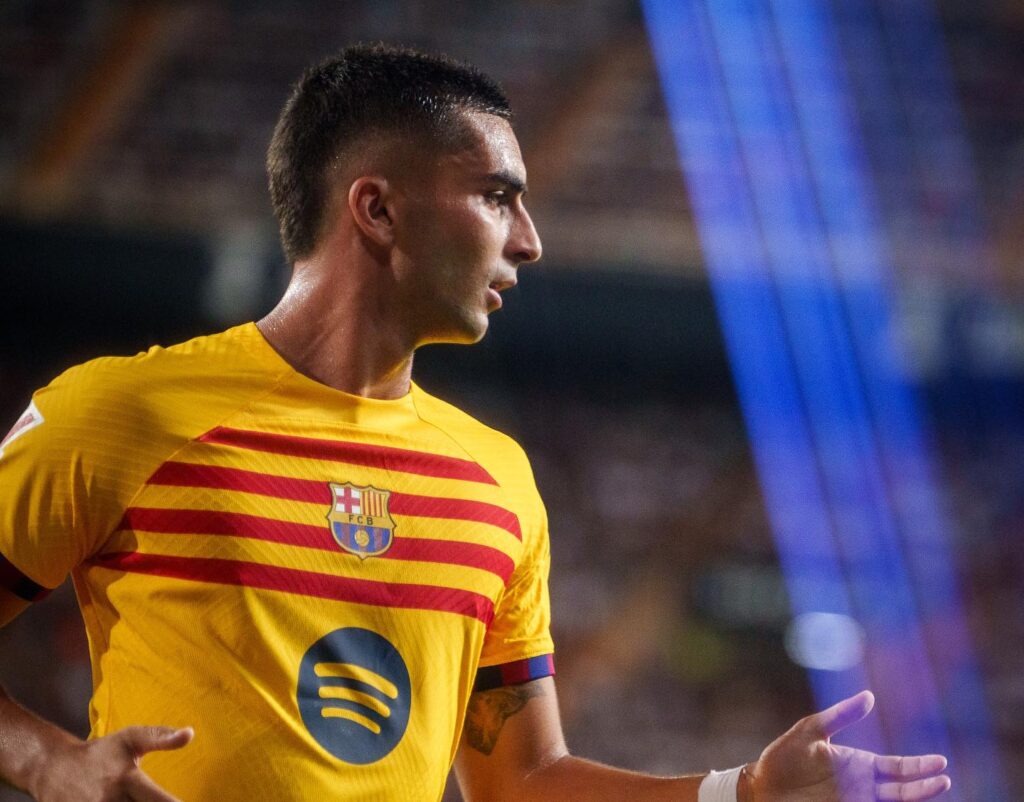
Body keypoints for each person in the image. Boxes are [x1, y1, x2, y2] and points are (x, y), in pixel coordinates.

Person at [0, 44, 951, 802]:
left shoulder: (496, 481)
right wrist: (49, 764)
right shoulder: (124, 413)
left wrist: (738, 792)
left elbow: (523, 782)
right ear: (377, 209)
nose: (529, 240)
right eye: (497, 196)